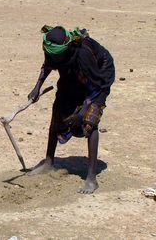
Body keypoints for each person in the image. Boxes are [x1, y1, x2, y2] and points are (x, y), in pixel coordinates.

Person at [27, 25, 115, 194]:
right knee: (58, 111)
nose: (53, 57)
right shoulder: (53, 50)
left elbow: (95, 87)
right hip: (73, 73)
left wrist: (82, 112)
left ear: (66, 49)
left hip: (98, 75)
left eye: (57, 55)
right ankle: (48, 162)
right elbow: (48, 65)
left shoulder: (83, 54)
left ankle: (91, 178)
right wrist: (37, 87)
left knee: (90, 122)